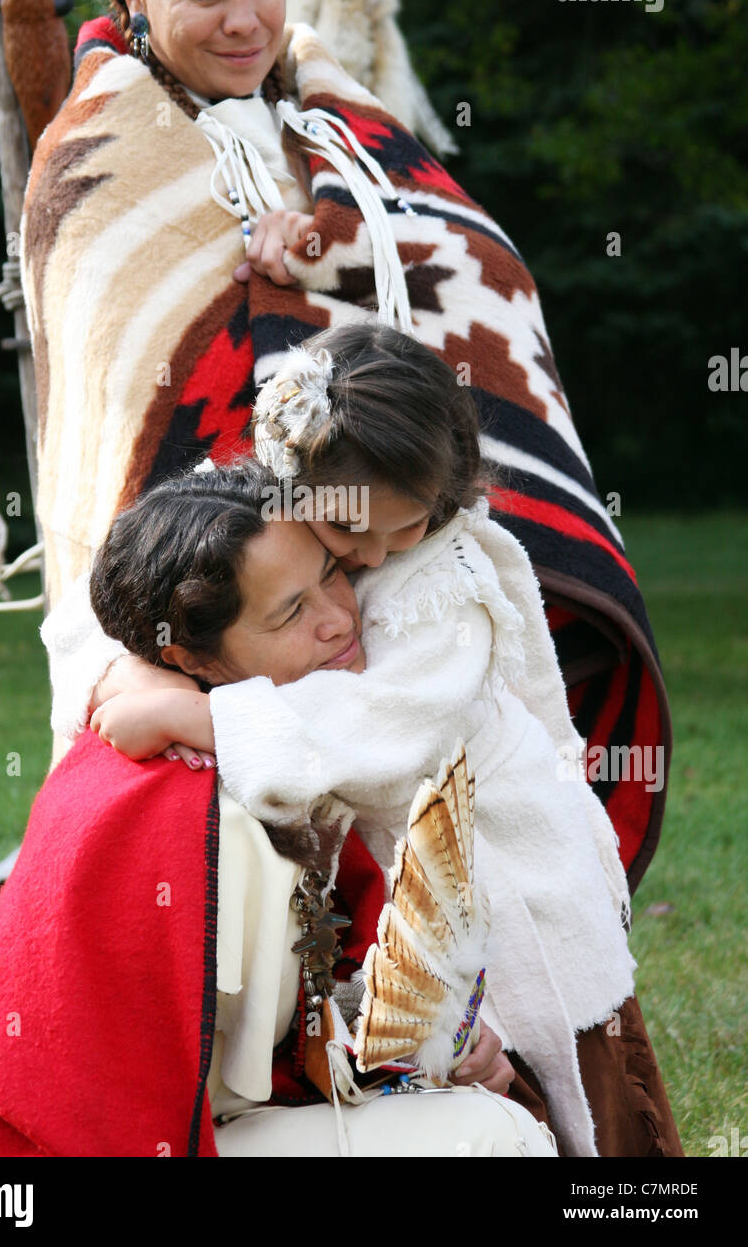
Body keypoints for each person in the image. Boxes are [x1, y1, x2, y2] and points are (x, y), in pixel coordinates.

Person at [20, 0, 670, 890]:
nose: (245, 20)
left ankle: (447, 987)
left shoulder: (330, 119)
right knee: (218, 847)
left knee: (429, 751)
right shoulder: (93, 153)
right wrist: (255, 276)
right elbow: (130, 357)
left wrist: (329, 244)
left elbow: (477, 266)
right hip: (207, 541)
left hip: (377, 506)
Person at [55, 324, 681, 1157]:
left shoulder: (447, 589)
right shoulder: (271, 505)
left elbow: (387, 732)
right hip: (392, 893)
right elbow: (116, 586)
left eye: (406, 526)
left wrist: (196, 719)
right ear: (294, 478)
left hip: (501, 871)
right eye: (351, 534)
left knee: (569, 1096)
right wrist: (132, 674)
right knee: (424, 1056)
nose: (373, 556)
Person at [0, 461, 556, 1158]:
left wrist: (437, 1038)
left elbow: (294, 1027)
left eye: (332, 575)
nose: (338, 619)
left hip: (210, 1121)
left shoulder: (253, 756)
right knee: (497, 1141)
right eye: (290, 612)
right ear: (195, 658)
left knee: (489, 1127)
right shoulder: (191, 808)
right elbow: (180, 1090)